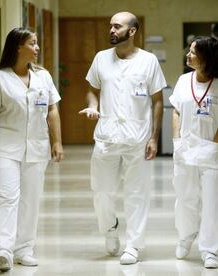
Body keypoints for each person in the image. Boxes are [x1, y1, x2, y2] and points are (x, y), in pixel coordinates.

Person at [79, 11, 166, 265]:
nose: (112, 30)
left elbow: (157, 101)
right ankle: (110, 228)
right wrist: (94, 106)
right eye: (110, 26)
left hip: (137, 138)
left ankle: (134, 246)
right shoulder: (101, 59)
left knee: (137, 194)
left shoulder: (148, 61)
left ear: (132, 31)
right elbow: (92, 90)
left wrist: (154, 137)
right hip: (106, 137)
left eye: (117, 26)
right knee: (102, 192)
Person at [0, 27, 63, 272]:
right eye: (32, 43)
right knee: (5, 197)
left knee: (30, 200)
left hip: (37, 147)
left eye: (37, 43)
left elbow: (52, 110)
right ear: (17, 47)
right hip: (5, 147)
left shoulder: (43, 77)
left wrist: (57, 142)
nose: (37, 48)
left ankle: (24, 249)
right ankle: (2, 250)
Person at [170, 36, 218, 269]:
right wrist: (177, 139)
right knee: (185, 197)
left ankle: (210, 249)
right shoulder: (183, 80)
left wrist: (214, 144)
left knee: (213, 201)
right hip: (186, 148)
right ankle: (185, 237)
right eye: (188, 51)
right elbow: (177, 111)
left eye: (193, 52)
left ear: (207, 58)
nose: (187, 55)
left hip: (211, 152)